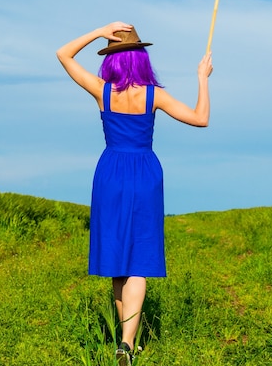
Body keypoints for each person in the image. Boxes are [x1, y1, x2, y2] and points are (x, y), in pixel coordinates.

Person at [56, 21, 212, 365]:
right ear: (141, 58)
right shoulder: (155, 95)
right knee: (139, 259)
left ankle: (123, 342)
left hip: (110, 172)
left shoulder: (102, 90)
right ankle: (127, 343)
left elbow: (62, 54)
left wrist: (99, 31)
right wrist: (202, 76)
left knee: (116, 260)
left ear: (111, 59)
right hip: (145, 173)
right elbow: (201, 119)